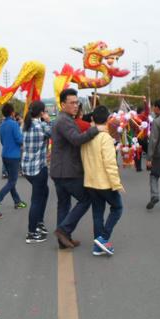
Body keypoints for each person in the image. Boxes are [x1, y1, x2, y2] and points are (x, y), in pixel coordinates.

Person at [50, 88, 100, 249]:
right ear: (63, 104)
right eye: (71, 103)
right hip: (68, 171)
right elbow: (76, 139)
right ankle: (63, 231)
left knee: (63, 204)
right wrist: (95, 129)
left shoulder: (65, 119)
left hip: (61, 171)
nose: (75, 106)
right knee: (86, 199)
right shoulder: (64, 120)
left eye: (77, 102)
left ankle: (63, 239)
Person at [81, 105, 124, 256]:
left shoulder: (87, 136)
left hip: (90, 181)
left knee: (97, 213)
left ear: (92, 118)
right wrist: (117, 184)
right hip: (104, 182)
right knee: (117, 208)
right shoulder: (106, 138)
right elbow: (110, 164)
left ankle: (98, 246)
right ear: (107, 119)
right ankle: (103, 238)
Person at [21, 101, 52, 244]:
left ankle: (39, 223)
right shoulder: (41, 126)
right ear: (41, 113)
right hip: (38, 167)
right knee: (37, 199)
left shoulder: (25, 125)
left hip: (27, 167)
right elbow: (53, 133)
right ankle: (31, 232)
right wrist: (48, 120)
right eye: (44, 111)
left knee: (44, 193)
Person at [0, 103, 26, 213]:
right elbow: (19, 140)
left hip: (5, 155)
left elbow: (3, 141)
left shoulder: (2, 125)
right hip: (14, 156)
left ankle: (17, 202)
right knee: (12, 181)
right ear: (12, 113)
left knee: (11, 181)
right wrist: (23, 138)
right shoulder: (14, 124)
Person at [133, 103, 150, 172]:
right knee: (149, 152)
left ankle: (138, 168)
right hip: (143, 137)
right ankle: (149, 166)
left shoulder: (134, 118)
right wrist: (145, 102)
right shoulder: (143, 116)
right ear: (142, 111)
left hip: (136, 138)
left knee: (138, 153)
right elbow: (147, 110)